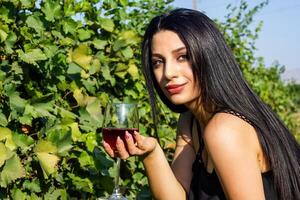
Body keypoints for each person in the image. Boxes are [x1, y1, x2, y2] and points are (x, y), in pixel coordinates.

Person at [103, 8, 300, 200]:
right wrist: (151, 153)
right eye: (158, 62)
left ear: (209, 56)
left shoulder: (225, 129)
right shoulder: (190, 121)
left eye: (183, 57)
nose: (168, 73)